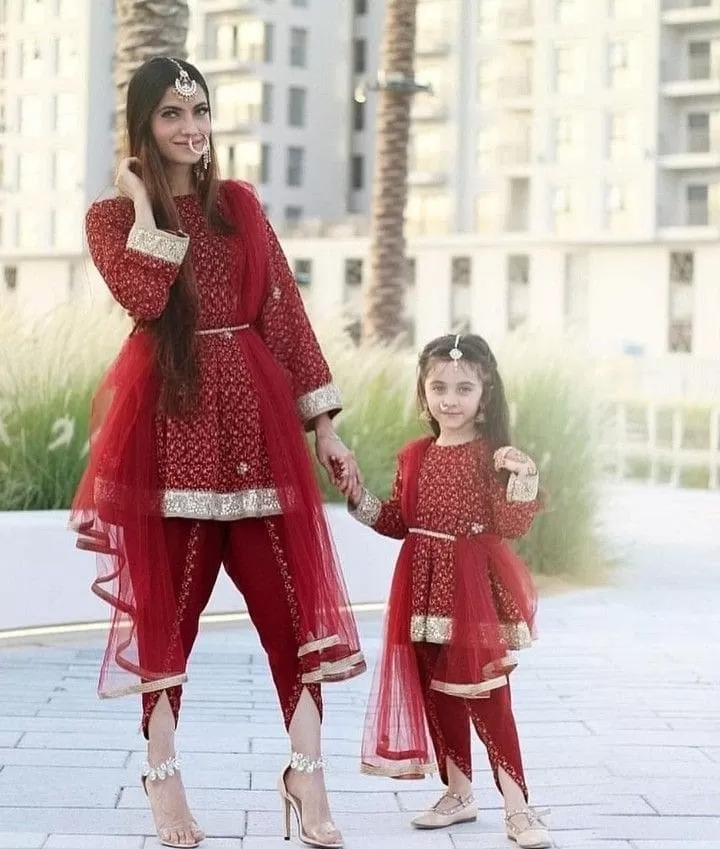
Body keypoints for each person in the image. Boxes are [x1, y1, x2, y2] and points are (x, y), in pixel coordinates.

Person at [70, 56, 366, 849]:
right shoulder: (110, 218)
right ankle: (162, 778)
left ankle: (306, 770)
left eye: (199, 111)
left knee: (293, 613)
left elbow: (284, 311)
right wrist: (142, 200)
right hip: (170, 425)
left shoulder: (239, 204)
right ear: (143, 128)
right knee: (170, 619)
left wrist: (325, 424)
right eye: (171, 114)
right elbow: (146, 298)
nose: (191, 128)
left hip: (260, 426)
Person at [346, 333, 551, 849]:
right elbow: (400, 520)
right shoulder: (414, 455)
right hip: (419, 588)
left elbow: (509, 523)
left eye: (463, 388)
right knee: (437, 692)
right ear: (424, 392)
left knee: (487, 696)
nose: (450, 399)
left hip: (471, 589)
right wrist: (355, 497)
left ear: (485, 396)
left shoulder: (493, 456)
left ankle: (518, 807)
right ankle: (458, 793)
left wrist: (522, 475)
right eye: (438, 387)